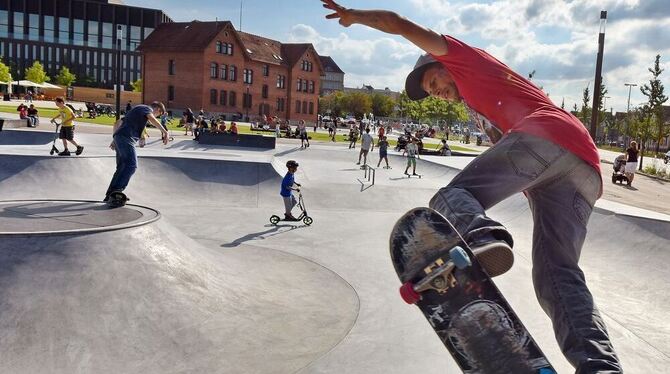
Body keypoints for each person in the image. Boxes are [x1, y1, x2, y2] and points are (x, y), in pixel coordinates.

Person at [322, 1, 621, 372]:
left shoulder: (466, 61)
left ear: (444, 64)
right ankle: (600, 366)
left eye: (435, 83)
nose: (439, 93)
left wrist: (356, 17)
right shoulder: (479, 107)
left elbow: (396, 23)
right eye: (432, 93)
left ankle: (481, 237)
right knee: (556, 276)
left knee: (450, 197)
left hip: (550, 138)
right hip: (582, 172)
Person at [105, 102, 169, 201]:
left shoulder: (137, 110)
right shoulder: (146, 108)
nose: (157, 116)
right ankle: (117, 190)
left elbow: (118, 122)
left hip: (121, 137)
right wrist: (165, 131)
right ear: (158, 109)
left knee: (122, 167)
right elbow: (152, 119)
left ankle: (110, 194)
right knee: (131, 165)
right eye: (159, 114)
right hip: (126, 138)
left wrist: (115, 138)